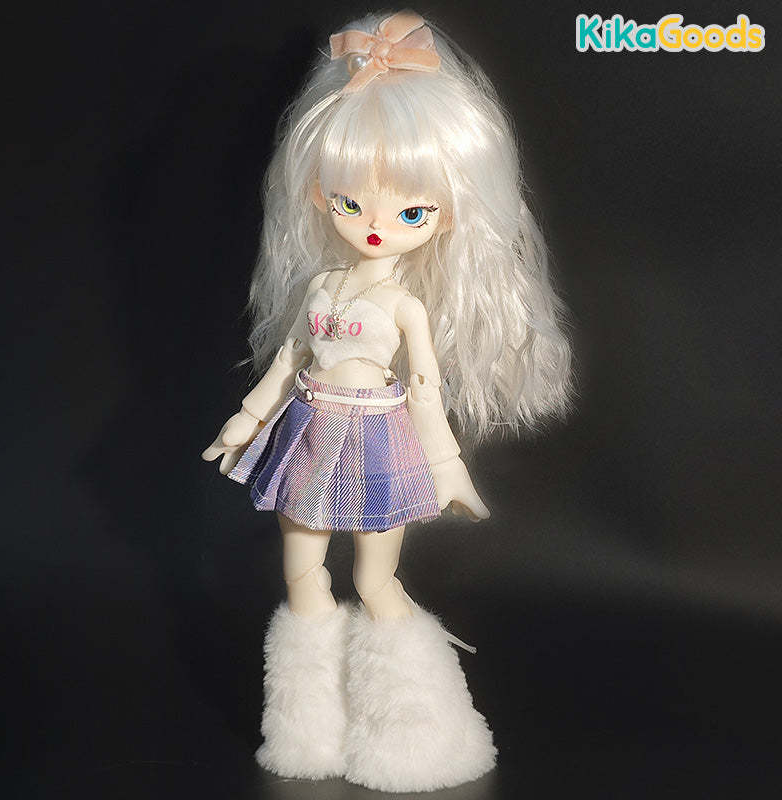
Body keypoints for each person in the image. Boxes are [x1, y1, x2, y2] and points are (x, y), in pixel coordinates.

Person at [202, 10, 571, 792]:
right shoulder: (320, 288)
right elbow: (291, 359)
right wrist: (247, 419)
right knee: (303, 575)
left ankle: (416, 734)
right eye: (351, 203)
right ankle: (306, 731)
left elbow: (426, 390)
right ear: (318, 193)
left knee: (376, 583)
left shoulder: (404, 307)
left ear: (446, 215)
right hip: (306, 434)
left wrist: (448, 468)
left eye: (410, 211)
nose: (375, 226)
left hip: (377, 443)